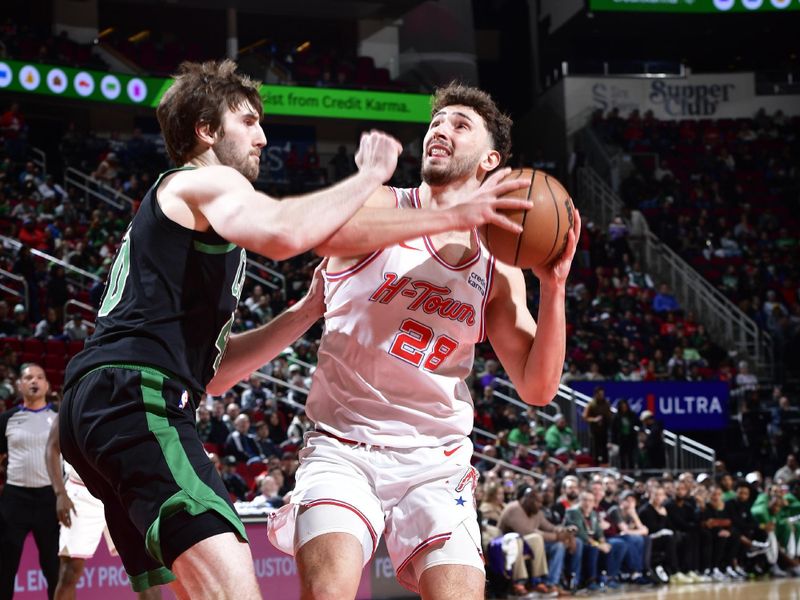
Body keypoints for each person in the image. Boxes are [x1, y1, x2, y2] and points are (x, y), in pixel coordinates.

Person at [59, 62, 528, 599]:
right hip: (135, 398)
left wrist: (305, 311)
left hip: (103, 403)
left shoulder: (198, 222)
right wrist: (370, 177)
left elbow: (215, 375)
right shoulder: (207, 181)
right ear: (207, 132)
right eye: (248, 122)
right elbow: (286, 234)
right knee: (235, 589)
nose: (262, 137)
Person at [267, 82, 581, 600]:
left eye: (460, 125)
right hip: (345, 447)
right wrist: (453, 214)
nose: (441, 129)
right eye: (437, 122)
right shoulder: (381, 201)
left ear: (491, 161)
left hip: (437, 460)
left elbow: (538, 387)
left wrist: (555, 287)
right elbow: (327, 237)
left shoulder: (500, 266)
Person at [45, 419, 163, 600]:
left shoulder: (126, 398)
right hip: (82, 493)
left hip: (121, 490)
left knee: (146, 571)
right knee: (70, 571)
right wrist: (60, 493)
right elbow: (52, 448)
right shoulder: (75, 395)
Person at [0, 364, 60, 599]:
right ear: (19, 385)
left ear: (47, 384)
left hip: (50, 500)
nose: (34, 381)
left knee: (54, 569)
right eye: (28, 378)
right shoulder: (7, 419)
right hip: (14, 501)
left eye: (39, 377)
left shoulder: (58, 417)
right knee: (5, 569)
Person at [498, 487, 577, 595]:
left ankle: (549, 583)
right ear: (527, 499)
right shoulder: (514, 508)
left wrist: (565, 531)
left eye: (541, 502)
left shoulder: (535, 511)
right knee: (534, 538)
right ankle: (525, 582)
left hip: (529, 544)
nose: (540, 505)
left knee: (558, 546)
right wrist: (558, 536)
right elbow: (525, 532)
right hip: (506, 544)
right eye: (537, 501)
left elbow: (549, 527)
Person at [583, 386, 611, 465]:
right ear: (595, 394)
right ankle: (594, 466)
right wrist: (594, 420)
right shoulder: (591, 404)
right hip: (594, 431)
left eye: (602, 394)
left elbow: (609, 416)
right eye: (599, 394)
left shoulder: (606, 403)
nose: (601, 396)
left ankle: (605, 466)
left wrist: (605, 419)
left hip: (604, 430)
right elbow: (585, 417)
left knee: (604, 450)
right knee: (594, 450)